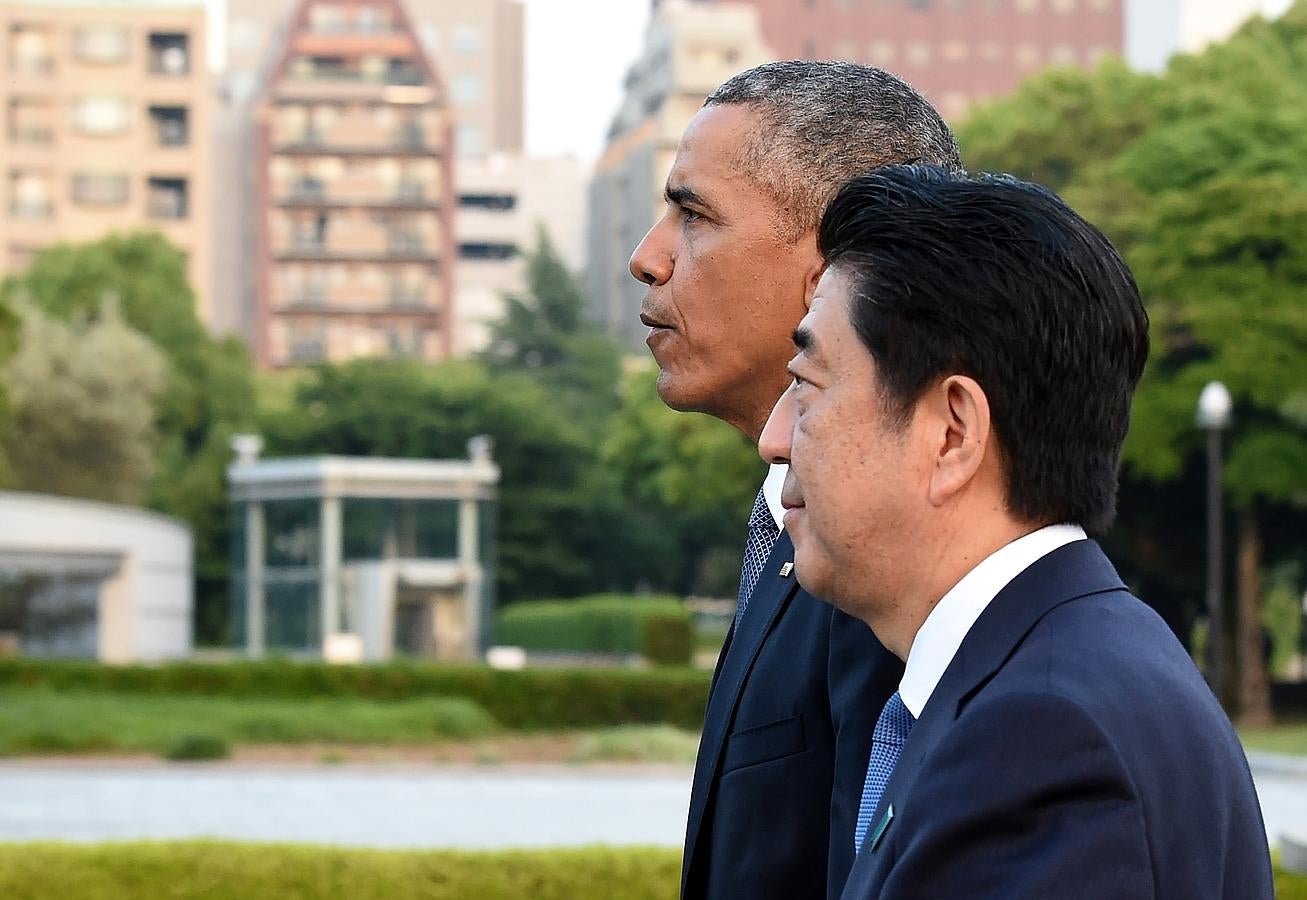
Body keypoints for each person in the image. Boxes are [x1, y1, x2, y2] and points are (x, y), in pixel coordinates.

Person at [758, 165, 1273, 899]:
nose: (775, 439)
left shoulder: (1041, 734)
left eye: (806, 385)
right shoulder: (1070, 664)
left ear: (951, 433)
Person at [628, 62, 961, 900]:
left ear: (832, 271)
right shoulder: (793, 528)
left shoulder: (891, 561)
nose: (647, 258)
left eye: (693, 215)